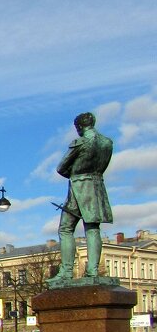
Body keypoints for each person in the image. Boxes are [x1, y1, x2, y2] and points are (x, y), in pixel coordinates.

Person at [51, 112, 113, 281]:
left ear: (79, 127)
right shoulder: (107, 143)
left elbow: (61, 168)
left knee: (65, 228)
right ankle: (93, 270)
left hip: (79, 187)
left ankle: (66, 272)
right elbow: (103, 165)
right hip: (97, 187)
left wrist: (76, 173)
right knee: (93, 228)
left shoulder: (80, 143)